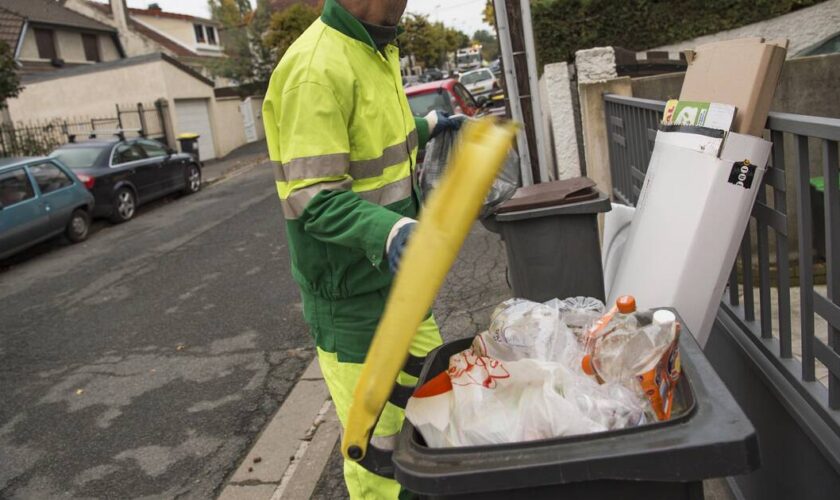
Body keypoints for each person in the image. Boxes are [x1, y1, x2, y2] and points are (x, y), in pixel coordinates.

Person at [262, 0, 461, 498]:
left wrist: (429, 126)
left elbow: (375, 139)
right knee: (382, 459)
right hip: (354, 304)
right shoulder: (315, 69)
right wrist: (389, 234)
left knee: (438, 426)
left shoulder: (376, 47)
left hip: (402, 286)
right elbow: (313, 194)